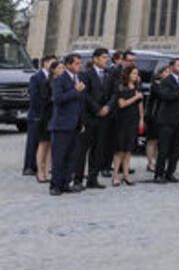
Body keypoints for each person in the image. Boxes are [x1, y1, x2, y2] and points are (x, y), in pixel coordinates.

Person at [76, 47, 113, 190]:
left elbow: (114, 93)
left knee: (98, 149)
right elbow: (85, 95)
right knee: (82, 150)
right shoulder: (86, 74)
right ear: (95, 59)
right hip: (89, 116)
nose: (106, 60)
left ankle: (93, 178)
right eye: (103, 57)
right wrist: (97, 109)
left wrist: (108, 107)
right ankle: (78, 179)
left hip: (104, 117)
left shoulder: (109, 74)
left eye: (107, 57)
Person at [49, 55, 85, 195]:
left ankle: (65, 183)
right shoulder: (60, 79)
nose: (79, 66)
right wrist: (75, 90)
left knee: (72, 156)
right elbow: (57, 99)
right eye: (76, 63)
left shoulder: (78, 78)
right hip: (61, 124)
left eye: (79, 63)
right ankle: (55, 185)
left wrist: (81, 122)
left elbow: (80, 103)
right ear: (68, 65)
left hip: (75, 124)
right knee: (59, 156)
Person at [152, 58, 179, 183]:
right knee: (164, 149)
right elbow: (165, 96)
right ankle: (158, 174)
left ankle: (170, 173)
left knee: (176, 149)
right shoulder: (166, 80)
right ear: (172, 66)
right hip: (166, 119)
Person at [110, 66, 144, 186]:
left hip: (133, 120)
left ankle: (126, 174)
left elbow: (140, 104)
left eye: (137, 73)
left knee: (129, 149)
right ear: (128, 74)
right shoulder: (121, 87)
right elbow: (122, 104)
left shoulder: (137, 87)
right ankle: (115, 175)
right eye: (134, 73)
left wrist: (141, 119)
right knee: (119, 149)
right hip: (121, 120)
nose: (136, 76)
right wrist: (135, 97)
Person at [23, 54, 54, 179]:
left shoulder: (53, 78)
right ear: (45, 63)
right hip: (37, 114)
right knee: (33, 141)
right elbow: (34, 96)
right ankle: (29, 166)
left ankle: (43, 167)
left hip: (48, 115)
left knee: (45, 142)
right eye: (52, 63)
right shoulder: (36, 77)